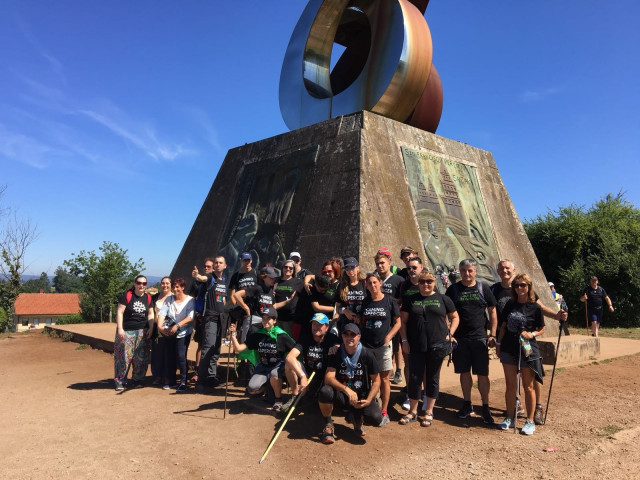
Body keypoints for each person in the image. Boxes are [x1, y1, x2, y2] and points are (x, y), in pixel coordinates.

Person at [491, 259, 568, 425]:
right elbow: (494, 315)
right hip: (508, 342)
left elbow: (539, 309)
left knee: (530, 381)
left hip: (527, 344)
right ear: (497, 271)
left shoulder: (528, 292)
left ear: (514, 269)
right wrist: (495, 339)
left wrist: (556, 315)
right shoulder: (494, 289)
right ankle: (514, 409)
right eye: (501, 268)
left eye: (508, 268)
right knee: (512, 383)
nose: (505, 271)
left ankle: (536, 409)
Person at [399, 271, 459, 427]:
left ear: (434, 282)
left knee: (432, 378)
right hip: (416, 344)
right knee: (414, 378)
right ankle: (412, 411)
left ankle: (429, 412)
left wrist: (450, 334)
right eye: (422, 281)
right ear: (418, 283)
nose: (426, 284)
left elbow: (455, 317)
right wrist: (404, 340)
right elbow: (403, 321)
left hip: (437, 344)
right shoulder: (410, 300)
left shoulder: (443, 299)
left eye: (429, 281)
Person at [445, 258, 498, 423]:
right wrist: (450, 333)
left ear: (475, 271)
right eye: (463, 271)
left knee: (482, 374)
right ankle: (467, 403)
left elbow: (493, 312)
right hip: (460, 339)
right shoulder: (453, 290)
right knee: (464, 372)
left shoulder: (484, 288)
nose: (466, 274)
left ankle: (485, 406)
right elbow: (447, 314)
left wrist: (493, 334)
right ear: (459, 272)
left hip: (480, 338)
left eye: (470, 270)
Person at [496, 273, 545, 435]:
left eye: (523, 285)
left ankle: (530, 421)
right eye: (516, 285)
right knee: (510, 386)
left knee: (528, 386)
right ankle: (509, 417)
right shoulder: (510, 304)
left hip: (528, 349)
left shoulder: (535, 307)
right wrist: (498, 344)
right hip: (509, 348)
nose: (519, 288)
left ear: (529, 286)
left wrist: (532, 335)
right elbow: (503, 326)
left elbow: (541, 328)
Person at [318, 323, 383, 444]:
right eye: (345, 334)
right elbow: (328, 378)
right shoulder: (336, 352)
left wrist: (369, 400)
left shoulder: (367, 354)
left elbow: (377, 380)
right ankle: (328, 423)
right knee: (325, 391)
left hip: (361, 397)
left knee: (376, 418)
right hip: (342, 395)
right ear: (341, 336)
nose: (349, 337)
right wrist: (346, 390)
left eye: (352, 334)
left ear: (359, 336)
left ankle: (356, 418)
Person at [228, 306, 296, 411]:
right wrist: (233, 334)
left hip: (278, 367)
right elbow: (238, 349)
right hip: (263, 367)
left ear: (275, 320)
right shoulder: (258, 335)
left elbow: (295, 350)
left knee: (274, 374)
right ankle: (267, 389)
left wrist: (290, 365)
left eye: (268, 318)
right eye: (263, 318)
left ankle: (278, 399)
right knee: (251, 389)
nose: (265, 321)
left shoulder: (282, 335)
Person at [359, 272, 401, 425]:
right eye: (369, 283)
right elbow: (361, 321)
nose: (372, 285)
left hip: (383, 346)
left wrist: (388, 337)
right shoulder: (365, 302)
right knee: (369, 378)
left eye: (375, 282)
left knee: (384, 379)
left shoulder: (389, 300)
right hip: (366, 345)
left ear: (380, 283)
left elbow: (398, 323)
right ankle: (369, 405)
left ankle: (384, 410)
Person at [283, 313, 340, 411]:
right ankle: (296, 395)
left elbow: (341, 346)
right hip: (308, 375)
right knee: (289, 364)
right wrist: (303, 376)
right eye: (314, 324)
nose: (316, 327)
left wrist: (336, 347)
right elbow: (290, 357)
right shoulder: (305, 338)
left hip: (325, 377)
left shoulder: (332, 339)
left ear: (326, 327)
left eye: (319, 325)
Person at [192, 256, 228, 393]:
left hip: (220, 319)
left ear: (225, 266)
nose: (218, 265)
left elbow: (222, 299)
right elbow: (202, 279)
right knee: (207, 349)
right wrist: (197, 276)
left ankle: (211, 377)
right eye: (216, 263)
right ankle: (201, 381)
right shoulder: (210, 278)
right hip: (211, 318)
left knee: (216, 349)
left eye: (220, 263)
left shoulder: (223, 281)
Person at [114, 275, 154, 390]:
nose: (141, 285)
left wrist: (151, 328)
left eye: (144, 283)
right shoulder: (127, 296)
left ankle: (137, 380)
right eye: (139, 283)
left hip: (143, 331)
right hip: (127, 331)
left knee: (141, 358)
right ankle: (120, 380)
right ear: (135, 283)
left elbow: (151, 314)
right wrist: (120, 329)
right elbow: (120, 312)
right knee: (123, 357)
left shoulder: (148, 298)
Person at [157, 278, 195, 392]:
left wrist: (177, 325)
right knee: (169, 356)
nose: (175, 289)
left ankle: (183, 381)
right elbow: (162, 313)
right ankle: (171, 380)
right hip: (169, 332)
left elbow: (190, 317)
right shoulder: (169, 299)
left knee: (181, 356)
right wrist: (160, 327)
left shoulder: (190, 300)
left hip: (183, 332)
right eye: (174, 287)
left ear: (183, 287)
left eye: (178, 287)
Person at [398, 256, 424, 409]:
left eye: (414, 267)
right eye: (409, 268)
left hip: (425, 329)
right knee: (409, 364)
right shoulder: (404, 285)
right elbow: (400, 304)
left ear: (421, 267)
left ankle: (426, 394)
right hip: (408, 329)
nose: (412, 271)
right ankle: (410, 392)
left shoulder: (428, 282)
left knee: (425, 365)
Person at [374, 251, 404, 384]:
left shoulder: (398, 280)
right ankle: (388, 370)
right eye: (378, 264)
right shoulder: (376, 279)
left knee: (396, 346)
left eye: (382, 263)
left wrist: (391, 303)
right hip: (380, 318)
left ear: (389, 263)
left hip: (393, 317)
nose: (380, 266)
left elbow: (402, 300)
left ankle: (399, 370)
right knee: (385, 346)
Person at [333, 257, 367, 334]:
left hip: (363, 322)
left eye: (352, 267)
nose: (350, 270)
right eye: (347, 268)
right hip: (346, 323)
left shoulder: (365, 283)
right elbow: (338, 307)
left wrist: (360, 317)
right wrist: (345, 311)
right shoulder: (341, 286)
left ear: (357, 267)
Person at [150, 276, 172, 385]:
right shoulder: (155, 298)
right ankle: (157, 375)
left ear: (171, 285)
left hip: (169, 329)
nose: (165, 285)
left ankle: (167, 376)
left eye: (167, 283)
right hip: (156, 330)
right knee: (156, 354)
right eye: (163, 283)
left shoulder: (174, 297)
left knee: (168, 354)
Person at [274, 259, 304, 337]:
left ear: (293, 270)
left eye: (291, 268)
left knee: (288, 341)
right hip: (277, 317)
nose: (288, 269)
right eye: (286, 267)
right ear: (282, 268)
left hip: (291, 319)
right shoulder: (276, 281)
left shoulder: (298, 282)